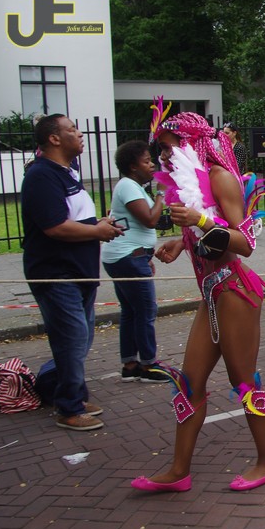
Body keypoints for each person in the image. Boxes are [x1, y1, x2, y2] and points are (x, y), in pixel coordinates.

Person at [132, 111, 265, 493]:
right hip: (211, 294)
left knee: (243, 381)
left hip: (235, 291)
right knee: (189, 383)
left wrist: (198, 221)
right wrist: (181, 243)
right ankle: (178, 471)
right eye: (161, 150)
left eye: (169, 148)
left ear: (189, 143)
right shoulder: (188, 183)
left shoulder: (220, 177)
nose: (163, 156)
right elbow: (206, 234)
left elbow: (245, 242)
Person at [22, 114, 125, 431]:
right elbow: (54, 227)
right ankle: (68, 407)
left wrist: (98, 225)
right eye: (72, 129)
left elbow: (74, 218)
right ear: (54, 138)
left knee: (80, 338)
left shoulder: (67, 173)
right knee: (72, 339)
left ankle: (65, 391)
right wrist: (97, 232)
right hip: (57, 274)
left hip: (80, 273)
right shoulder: (41, 176)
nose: (80, 134)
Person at [101, 140, 167, 383]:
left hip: (129, 257)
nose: (152, 165)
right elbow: (150, 219)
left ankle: (130, 365)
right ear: (132, 166)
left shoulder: (131, 186)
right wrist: (161, 193)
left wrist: (145, 256)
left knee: (131, 311)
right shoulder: (128, 186)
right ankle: (149, 365)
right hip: (127, 257)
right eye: (147, 161)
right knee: (146, 310)